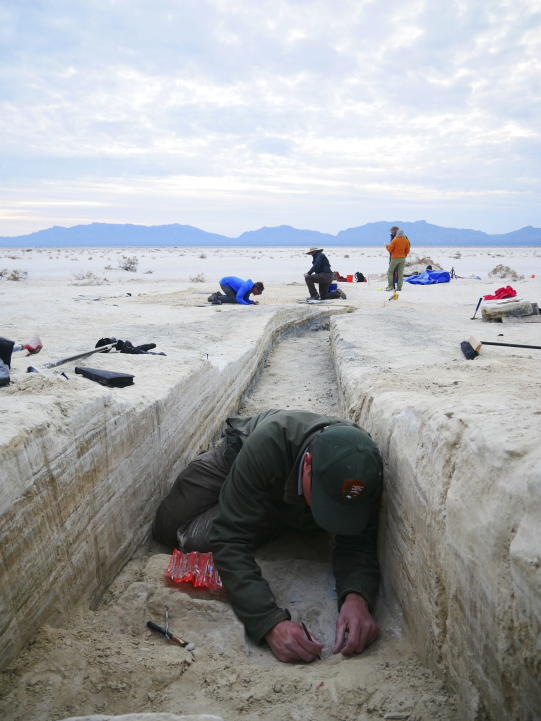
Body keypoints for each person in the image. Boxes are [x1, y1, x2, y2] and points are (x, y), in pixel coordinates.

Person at [153, 409, 383, 664]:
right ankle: (244, 499)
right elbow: (230, 539)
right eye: (324, 502)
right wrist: (269, 623)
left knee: (197, 542)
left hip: (279, 496)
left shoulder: (363, 472)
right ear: (307, 464)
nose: (332, 517)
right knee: (167, 525)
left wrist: (357, 596)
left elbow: (359, 539)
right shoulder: (270, 443)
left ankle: (267, 511)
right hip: (241, 457)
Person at [385, 226, 410, 291]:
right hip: (402, 258)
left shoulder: (395, 240)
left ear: (397, 233)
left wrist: (387, 246)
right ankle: (399, 288)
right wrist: (404, 255)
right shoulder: (406, 240)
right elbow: (408, 250)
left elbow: (390, 249)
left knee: (390, 272)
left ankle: (390, 286)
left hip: (395, 258)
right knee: (400, 273)